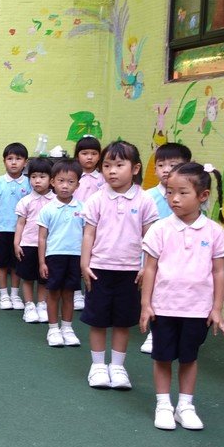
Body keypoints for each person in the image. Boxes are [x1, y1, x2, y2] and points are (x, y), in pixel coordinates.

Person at [140, 163, 224, 430]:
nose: (174, 199)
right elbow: (149, 269)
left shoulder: (214, 232)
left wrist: (217, 308)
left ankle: (185, 406)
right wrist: (146, 305)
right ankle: (163, 405)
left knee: (189, 358)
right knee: (162, 357)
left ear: (203, 196)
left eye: (182, 193)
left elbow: (219, 272)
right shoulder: (159, 229)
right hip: (163, 307)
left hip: (197, 309)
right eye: (170, 192)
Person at [80, 140, 158, 389]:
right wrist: (84, 263)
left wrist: (146, 267)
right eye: (107, 166)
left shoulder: (145, 200)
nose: (112, 171)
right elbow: (89, 234)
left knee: (123, 322)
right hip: (99, 269)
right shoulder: (96, 199)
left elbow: (150, 238)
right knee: (98, 320)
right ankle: (97, 366)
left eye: (119, 165)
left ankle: (117, 366)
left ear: (135, 168)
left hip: (131, 272)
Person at [140, 142, 192, 354]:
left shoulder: (193, 195)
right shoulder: (147, 196)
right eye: (161, 165)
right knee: (155, 292)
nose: (166, 170)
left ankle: (179, 330)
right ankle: (154, 333)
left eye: (173, 164)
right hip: (155, 255)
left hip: (182, 255)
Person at [37, 159, 84, 347]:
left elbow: (88, 235)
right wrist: (42, 262)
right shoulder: (47, 209)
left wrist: (86, 260)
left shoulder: (83, 208)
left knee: (69, 294)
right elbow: (42, 238)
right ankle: (53, 329)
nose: (65, 186)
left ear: (77, 185)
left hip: (76, 257)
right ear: (53, 182)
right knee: (53, 293)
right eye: (61, 181)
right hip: (54, 256)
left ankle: (67, 328)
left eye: (71, 182)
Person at [0, 142, 31, 309]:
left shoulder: (29, 183)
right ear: (4, 161)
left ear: (25, 162)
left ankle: (15, 295)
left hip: (21, 231)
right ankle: (4, 295)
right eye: (10, 158)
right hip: (2, 230)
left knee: (16, 264)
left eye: (18, 159)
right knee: (2, 264)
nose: (14, 162)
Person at [13, 157, 54, 323]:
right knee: (28, 277)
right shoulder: (25, 201)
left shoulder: (56, 201)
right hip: (28, 244)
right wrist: (16, 243)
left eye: (42, 177)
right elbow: (20, 224)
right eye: (33, 177)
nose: (37, 181)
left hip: (49, 247)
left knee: (44, 278)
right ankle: (29, 306)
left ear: (51, 179)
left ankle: (42, 305)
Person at [72, 135, 104, 311]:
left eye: (94, 153)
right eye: (85, 153)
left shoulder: (102, 178)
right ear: (77, 155)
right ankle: (76, 292)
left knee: (92, 256)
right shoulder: (73, 176)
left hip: (96, 224)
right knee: (76, 256)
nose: (89, 157)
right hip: (75, 222)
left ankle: (89, 291)